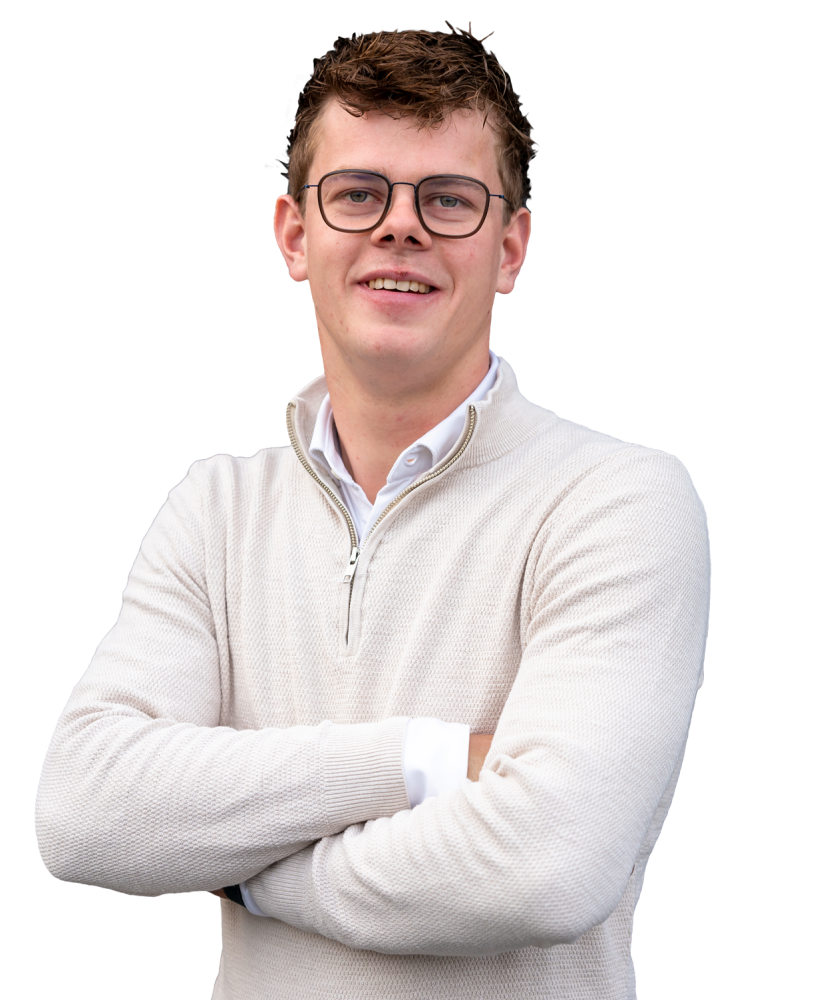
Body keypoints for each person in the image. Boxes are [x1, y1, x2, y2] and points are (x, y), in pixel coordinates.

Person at [35, 23, 711, 1000]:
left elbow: (546, 863)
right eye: (357, 194)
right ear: (294, 236)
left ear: (510, 248)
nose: (401, 227)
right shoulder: (214, 509)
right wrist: (424, 760)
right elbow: (84, 810)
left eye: (449, 199)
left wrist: (249, 876)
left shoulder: (618, 499)